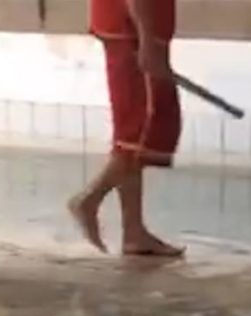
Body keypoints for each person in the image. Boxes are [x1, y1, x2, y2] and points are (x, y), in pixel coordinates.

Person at [68, 0, 184, 257]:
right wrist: (147, 41)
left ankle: (134, 232)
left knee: (132, 137)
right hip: (133, 33)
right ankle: (89, 200)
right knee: (145, 132)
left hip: (129, 30)